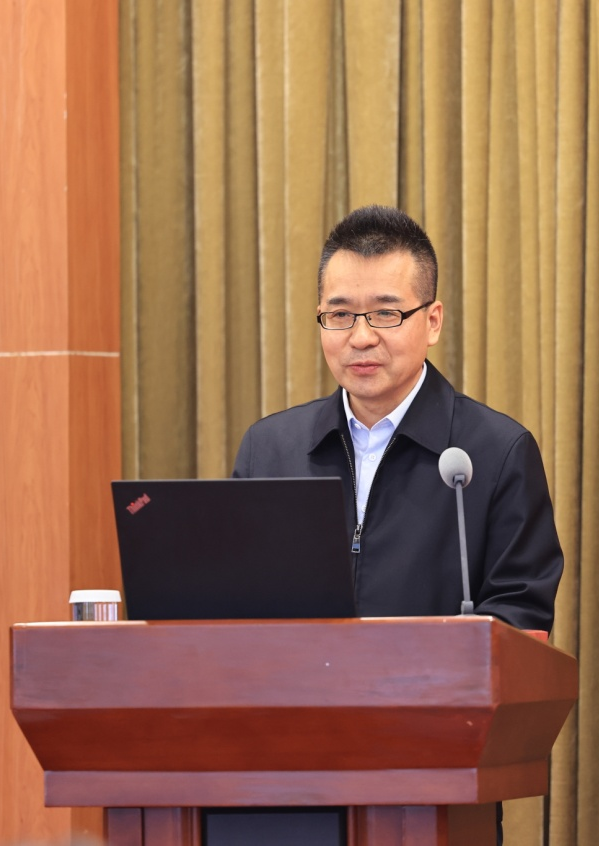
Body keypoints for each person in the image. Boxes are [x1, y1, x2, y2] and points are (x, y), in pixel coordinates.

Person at [233, 205, 563, 633]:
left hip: (435, 680)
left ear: (433, 322)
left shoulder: (498, 454)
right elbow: (236, 602)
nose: (361, 337)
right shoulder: (269, 450)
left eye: (386, 314)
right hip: (300, 678)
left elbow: (520, 619)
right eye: (340, 315)